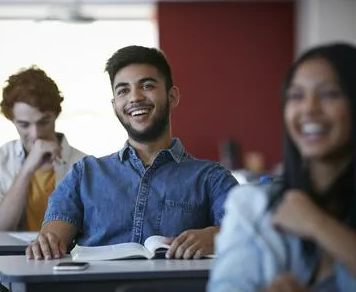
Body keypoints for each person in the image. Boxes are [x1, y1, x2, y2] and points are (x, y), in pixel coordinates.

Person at [26, 45, 238, 261]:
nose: (134, 97)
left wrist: (216, 236)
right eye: (123, 90)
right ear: (115, 105)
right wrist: (47, 243)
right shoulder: (84, 174)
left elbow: (250, 232)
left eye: (147, 86)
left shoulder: (211, 177)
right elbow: (52, 239)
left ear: (172, 96)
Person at [208, 42, 356, 292]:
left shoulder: (311, 218)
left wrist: (317, 224)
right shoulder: (251, 207)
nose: (309, 109)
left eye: (329, 94)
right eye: (296, 96)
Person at [0, 66, 86, 291]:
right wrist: (27, 170)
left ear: (56, 115)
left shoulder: (84, 164)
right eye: (24, 125)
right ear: (11, 120)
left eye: (43, 122)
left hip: (66, 275)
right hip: (2, 278)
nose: (35, 134)